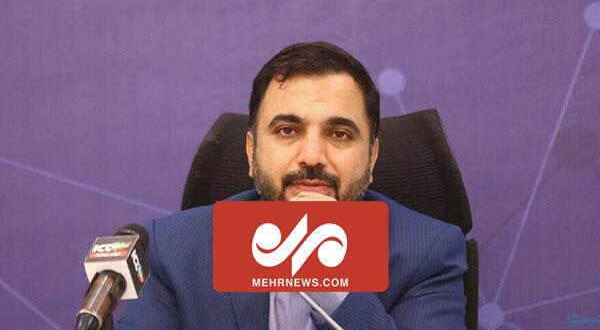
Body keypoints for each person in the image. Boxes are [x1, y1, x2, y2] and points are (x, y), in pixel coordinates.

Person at [115, 42, 467, 329]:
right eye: (288, 130)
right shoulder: (170, 250)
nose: (312, 156)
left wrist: (327, 271)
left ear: (372, 157)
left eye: (339, 134)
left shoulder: (429, 254)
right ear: (252, 151)